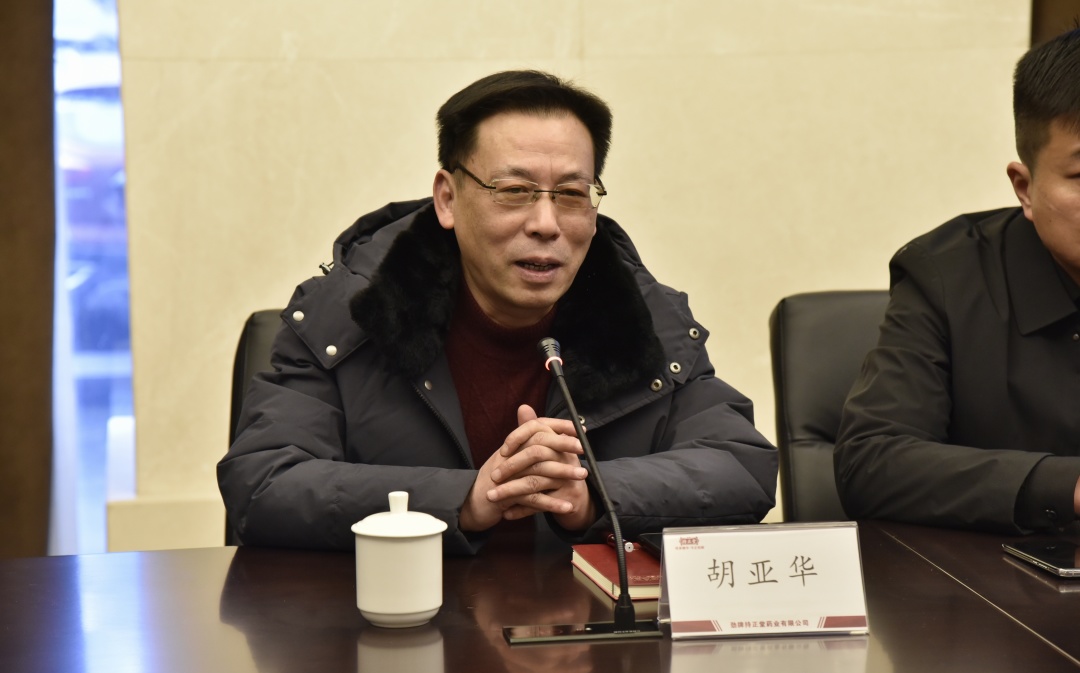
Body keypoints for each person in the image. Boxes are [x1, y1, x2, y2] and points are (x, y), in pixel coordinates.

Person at [218, 70, 777, 553]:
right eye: (513, 190)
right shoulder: (349, 317)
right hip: (395, 627)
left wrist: (591, 494)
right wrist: (463, 499)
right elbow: (264, 481)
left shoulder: (644, 322)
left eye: (571, 194)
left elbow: (740, 466)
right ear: (447, 199)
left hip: (587, 629)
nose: (546, 224)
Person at [834, 28, 1080, 533]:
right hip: (1000, 576)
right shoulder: (948, 276)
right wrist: (1067, 486)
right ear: (1025, 187)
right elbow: (873, 463)